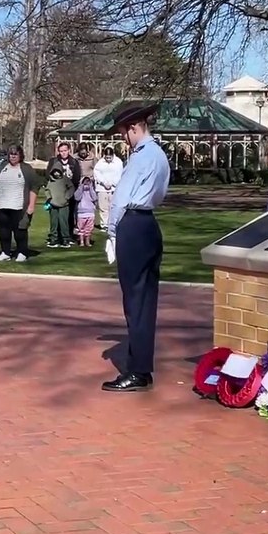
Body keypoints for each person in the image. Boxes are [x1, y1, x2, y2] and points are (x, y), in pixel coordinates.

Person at [103, 104, 170, 393]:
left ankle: (138, 371)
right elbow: (159, 193)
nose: (123, 139)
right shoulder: (160, 155)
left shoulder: (142, 157)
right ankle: (142, 365)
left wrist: (112, 232)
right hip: (149, 224)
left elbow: (120, 198)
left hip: (132, 223)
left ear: (133, 127)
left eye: (123, 133)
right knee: (145, 299)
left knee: (134, 301)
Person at [0, 145, 39, 262]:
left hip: (18, 206)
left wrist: (31, 205)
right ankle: (5, 252)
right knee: (3, 230)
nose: (13, 156)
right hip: (1, 205)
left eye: (16, 154)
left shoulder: (27, 169)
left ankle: (22, 252)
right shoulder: (2, 167)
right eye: (11, 154)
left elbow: (35, 187)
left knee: (20, 230)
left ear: (20, 155)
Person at [92, 146, 123, 230]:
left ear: (113, 155)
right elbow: (96, 174)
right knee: (103, 207)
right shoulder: (100, 163)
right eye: (107, 157)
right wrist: (104, 183)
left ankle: (113, 223)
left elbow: (119, 174)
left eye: (110, 157)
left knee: (113, 206)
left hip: (114, 188)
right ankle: (104, 224)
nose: (108, 159)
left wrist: (112, 183)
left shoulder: (118, 162)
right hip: (102, 188)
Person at [44, 165, 74, 248]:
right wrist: (49, 198)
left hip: (64, 204)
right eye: (55, 172)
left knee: (63, 222)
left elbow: (71, 188)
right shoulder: (51, 181)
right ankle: (54, 238)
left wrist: (67, 197)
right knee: (54, 222)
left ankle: (65, 239)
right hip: (53, 204)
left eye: (58, 171)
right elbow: (47, 190)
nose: (56, 173)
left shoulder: (65, 179)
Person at [74, 175, 98, 247]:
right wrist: (81, 187)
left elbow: (94, 198)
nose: (86, 184)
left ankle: (87, 241)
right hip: (81, 212)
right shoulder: (79, 190)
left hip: (90, 212)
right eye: (85, 182)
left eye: (88, 182)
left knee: (89, 228)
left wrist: (91, 188)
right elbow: (77, 197)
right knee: (81, 228)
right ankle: (81, 241)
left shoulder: (92, 191)